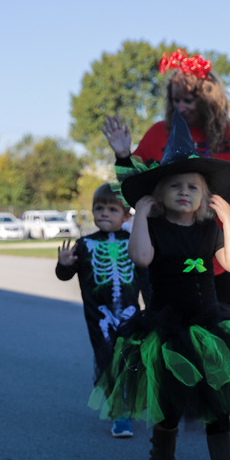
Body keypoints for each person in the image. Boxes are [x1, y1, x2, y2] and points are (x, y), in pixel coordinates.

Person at [90, 111, 230, 460]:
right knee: (168, 403)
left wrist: (229, 221)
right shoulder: (155, 227)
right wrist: (141, 219)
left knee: (219, 402)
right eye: (175, 186)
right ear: (159, 195)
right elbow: (141, 258)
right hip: (166, 330)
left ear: (205, 195)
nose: (184, 192)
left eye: (193, 186)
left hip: (208, 327)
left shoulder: (208, 228)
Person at [102, 48, 230, 309]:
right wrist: (123, 154)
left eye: (189, 101)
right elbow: (134, 182)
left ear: (207, 99)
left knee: (221, 319)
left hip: (218, 235)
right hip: (171, 240)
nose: (181, 108)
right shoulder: (159, 132)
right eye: (176, 101)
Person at [56, 183, 147, 438]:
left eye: (112, 209)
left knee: (130, 361)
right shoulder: (84, 245)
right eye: (99, 208)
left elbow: (146, 277)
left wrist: (152, 308)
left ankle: (129, 403)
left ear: (126, 216)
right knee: (108, 362)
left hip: (131, 315)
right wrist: (63, 266)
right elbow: (65, 275)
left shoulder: (134, 241)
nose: (105, 213)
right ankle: (120, 412)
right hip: (100, 318)